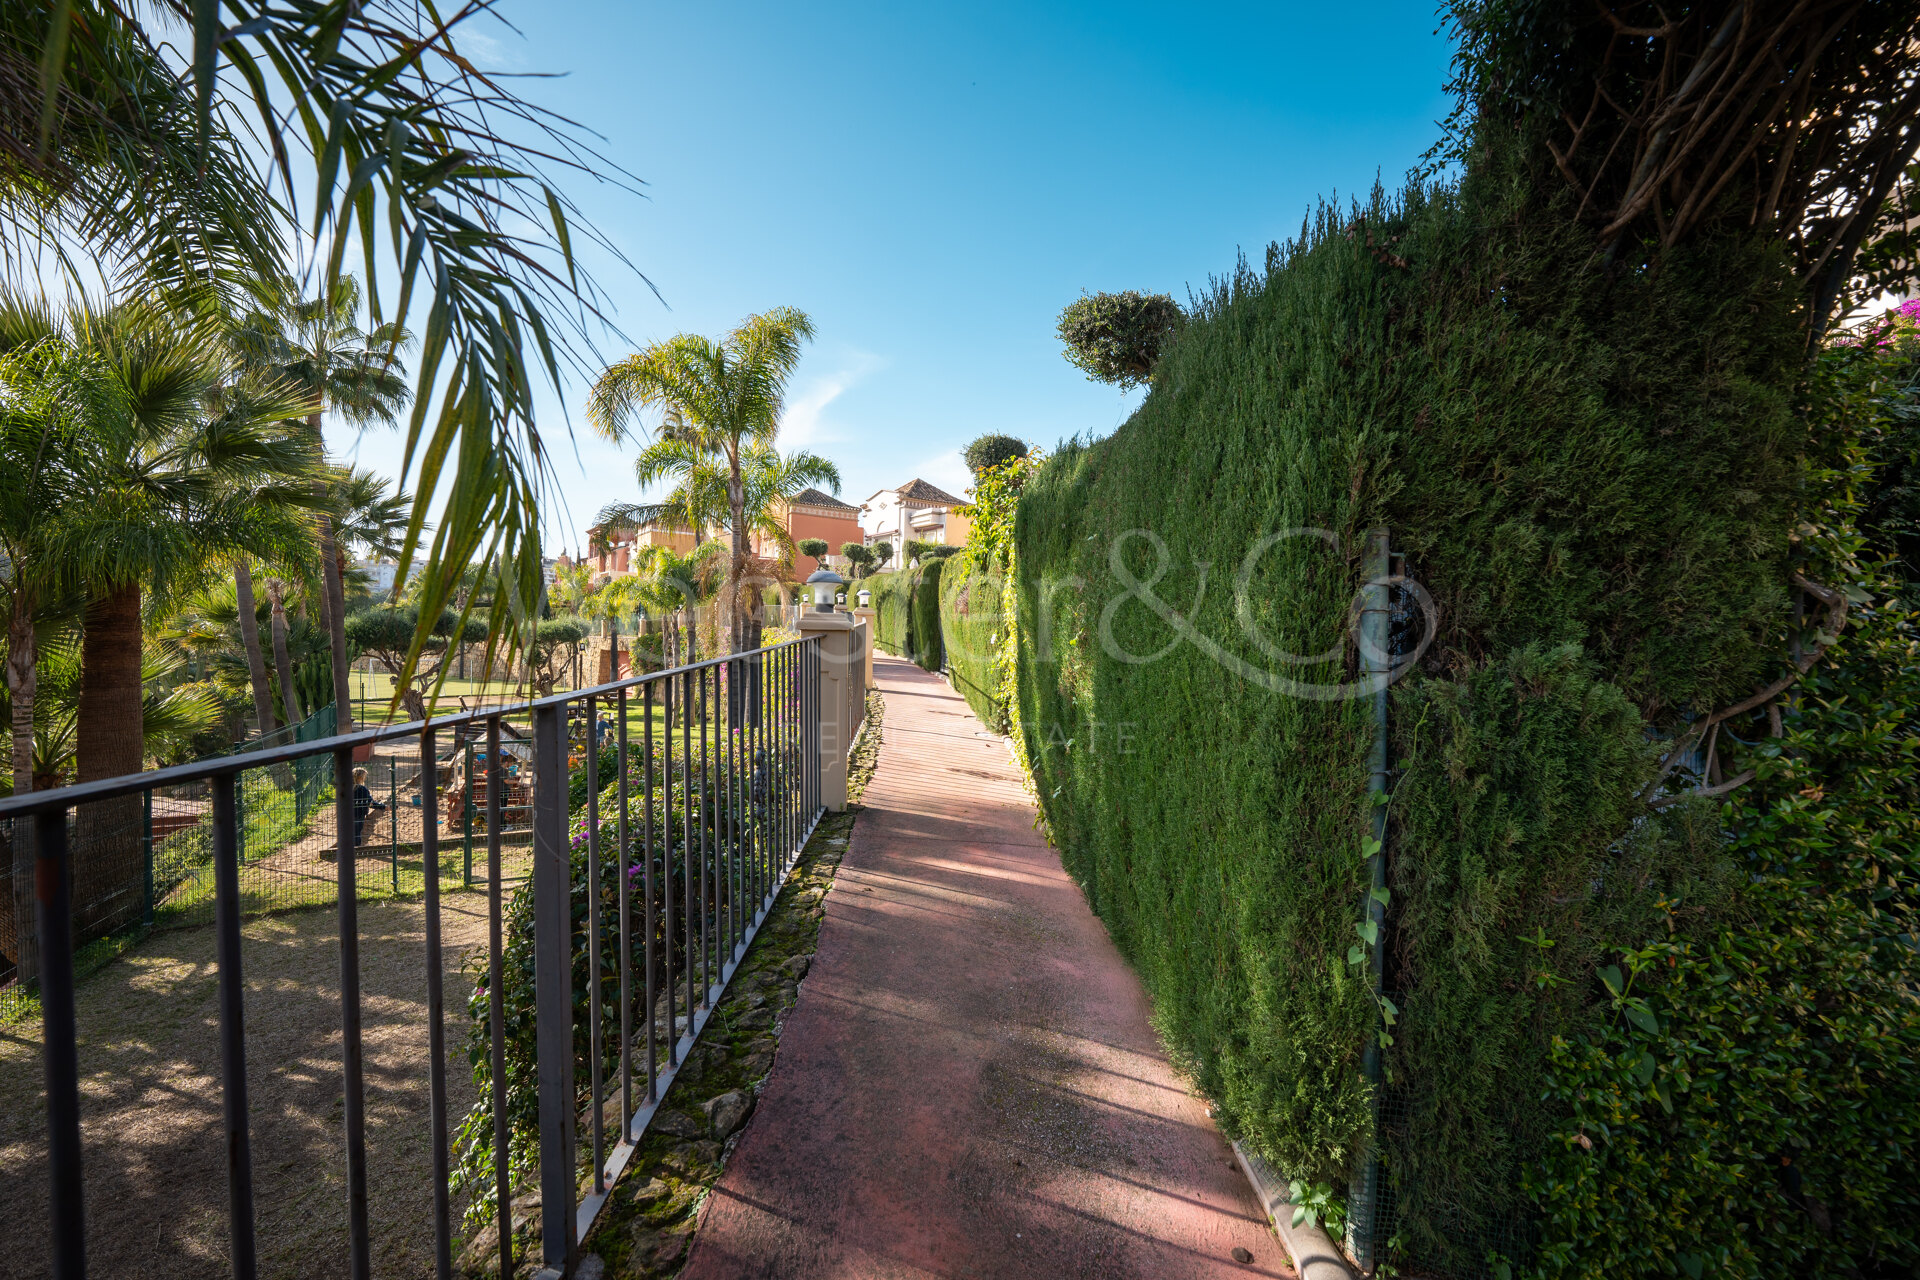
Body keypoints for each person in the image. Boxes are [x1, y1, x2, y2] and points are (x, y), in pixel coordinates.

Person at [351, 767, 387, 847]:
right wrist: (383, 806)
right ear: (361, 777)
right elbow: (370, 803)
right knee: (356, 833)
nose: (365, 778)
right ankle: (356, 851)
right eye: (364, 776)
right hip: (358, 814)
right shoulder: (362, 789)